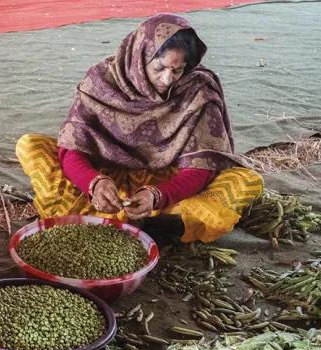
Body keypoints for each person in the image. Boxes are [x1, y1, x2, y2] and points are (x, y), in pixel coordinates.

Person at [16, 13, 263, 243]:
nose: (167, 79)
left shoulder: (197, 91)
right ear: (139, 57)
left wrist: (157, 195)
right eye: (159, 68)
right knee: (31, 146)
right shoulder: (102, 81)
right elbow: (73, 149)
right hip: (107, 176)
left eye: (177, 70)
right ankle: (147, 224)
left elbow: (202, 167)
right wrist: (94, 183)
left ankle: (155, 225)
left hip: (167, 178)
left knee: (245, 181)